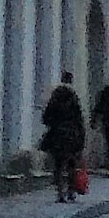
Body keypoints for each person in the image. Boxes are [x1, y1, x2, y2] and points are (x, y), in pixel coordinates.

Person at [40, 69, 86, 203]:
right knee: (71, 164)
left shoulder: (55, 97)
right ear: (71, 81)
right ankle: (71, 191)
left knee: (58, 166)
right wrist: (81, 138)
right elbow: (79, 120)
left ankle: (60, 193)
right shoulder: (74, 98)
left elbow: (46, 118)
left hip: (57, 135)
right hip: (72, 136)